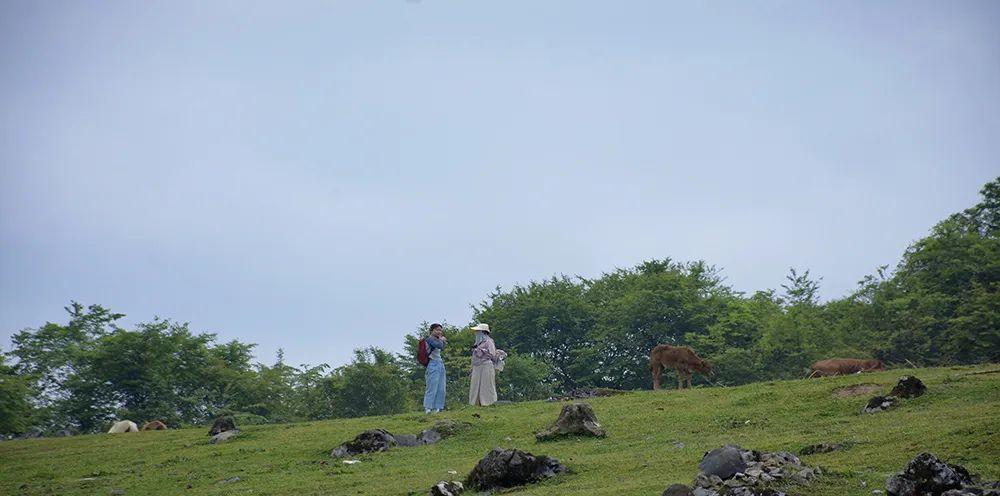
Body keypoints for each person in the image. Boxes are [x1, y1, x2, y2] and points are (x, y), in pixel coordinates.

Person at [468, 323, 500, 406]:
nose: (476, 334)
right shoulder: (478, 343)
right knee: (475, 385)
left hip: (486, 365)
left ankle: (488, 402)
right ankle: (475, 403)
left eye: (478, 331)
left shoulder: (489, 341)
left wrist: (482, 351)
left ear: (483, 332)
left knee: (486, 384)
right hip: (477, 366)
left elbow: (492, 354)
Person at [423, 323, 447, 414]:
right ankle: (428, 407)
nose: (439, 332)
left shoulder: (437, 339)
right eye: (437, 330)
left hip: (440, 363)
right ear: (431, 331)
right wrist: (442, 340)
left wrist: (441, 340)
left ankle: (438, 407)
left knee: (441, 388)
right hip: (432, 363)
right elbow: (439, 345)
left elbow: (442, 346)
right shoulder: (430, 339)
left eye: (440, 330)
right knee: (432, 386)